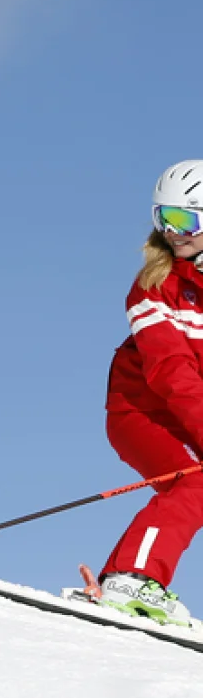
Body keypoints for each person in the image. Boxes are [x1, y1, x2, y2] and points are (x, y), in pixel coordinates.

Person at [99, 159, 203, 627]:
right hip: (141, 412)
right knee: (196, 481)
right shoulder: (153, 289)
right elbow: (171, 374)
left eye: (185, 220)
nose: (173, 232)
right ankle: (133, 576)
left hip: (188, 415)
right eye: (164, 218)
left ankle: (119, 580)